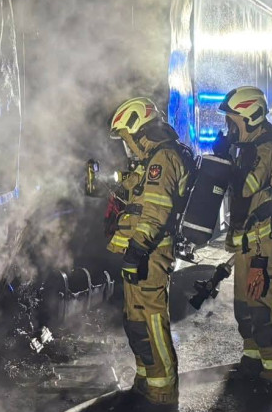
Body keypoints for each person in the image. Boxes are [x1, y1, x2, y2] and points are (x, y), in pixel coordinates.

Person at [105, 97, 193, 409]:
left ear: (138, 130)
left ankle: (163, 392)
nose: (125, 146)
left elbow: (156, 211)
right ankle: (147, 378)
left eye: (126, 138)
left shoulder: (163, 158)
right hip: (141, 252)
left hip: (151, 254)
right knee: (136, 318)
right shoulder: (152, 158)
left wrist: (137, 251)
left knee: (153, 319)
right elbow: (134, 191)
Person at [220, 86, 272, 390]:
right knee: (245, 305)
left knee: (265, 305)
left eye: (233, 121)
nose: (229, 127)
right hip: (248, 241)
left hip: (266, 241)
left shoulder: (266, 150)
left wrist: (223, 162)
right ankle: (253, 358)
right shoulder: (249, 149)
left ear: (250, 117)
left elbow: (246, 187)